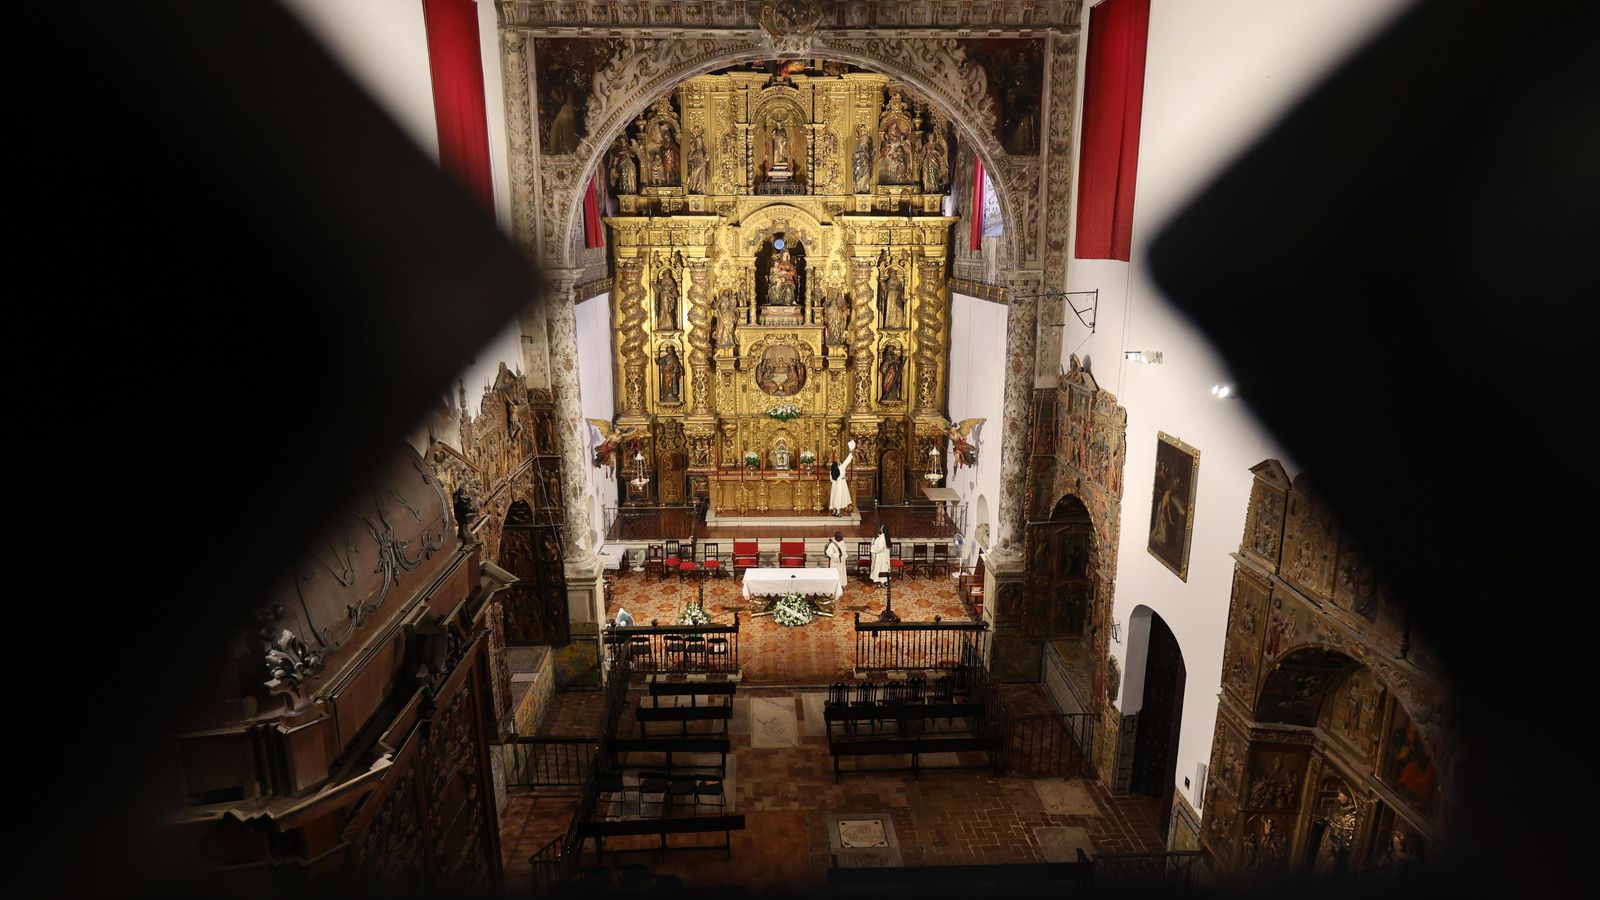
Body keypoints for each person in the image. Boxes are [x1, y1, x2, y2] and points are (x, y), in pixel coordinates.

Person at [829, 439, 855, 515]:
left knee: (834, 496)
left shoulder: (831, 471)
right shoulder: (841, 467)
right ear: (838, 464)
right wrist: (851, 451)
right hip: (841, 484)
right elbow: (848, 460)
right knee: (839, 497)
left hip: (834, 484)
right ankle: (838, 512)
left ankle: (834, 511)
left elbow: (831, 479)